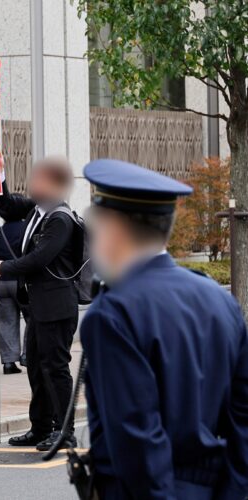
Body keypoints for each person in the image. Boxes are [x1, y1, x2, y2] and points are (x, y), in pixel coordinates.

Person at [80, 159, 248, 499]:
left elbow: (138, 441)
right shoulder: (219, 299)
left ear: (114, 226)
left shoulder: (111, 313)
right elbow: (242, 420)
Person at [0, 157, 81, 450]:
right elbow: (5, 205)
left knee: (55, 367)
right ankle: (40, 426)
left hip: (57, 305)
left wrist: (4, 268)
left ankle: (65, 430)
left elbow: (41, 258)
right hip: (38, 306)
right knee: (35, 367)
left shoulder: (61, 218)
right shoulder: (37, 210)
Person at [0, 219, 27, 374]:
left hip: (1, 281)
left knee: (6, 322)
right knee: (33, 318)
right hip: (21, 281)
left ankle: (8, 362)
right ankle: (27, 355)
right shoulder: (25, 229)